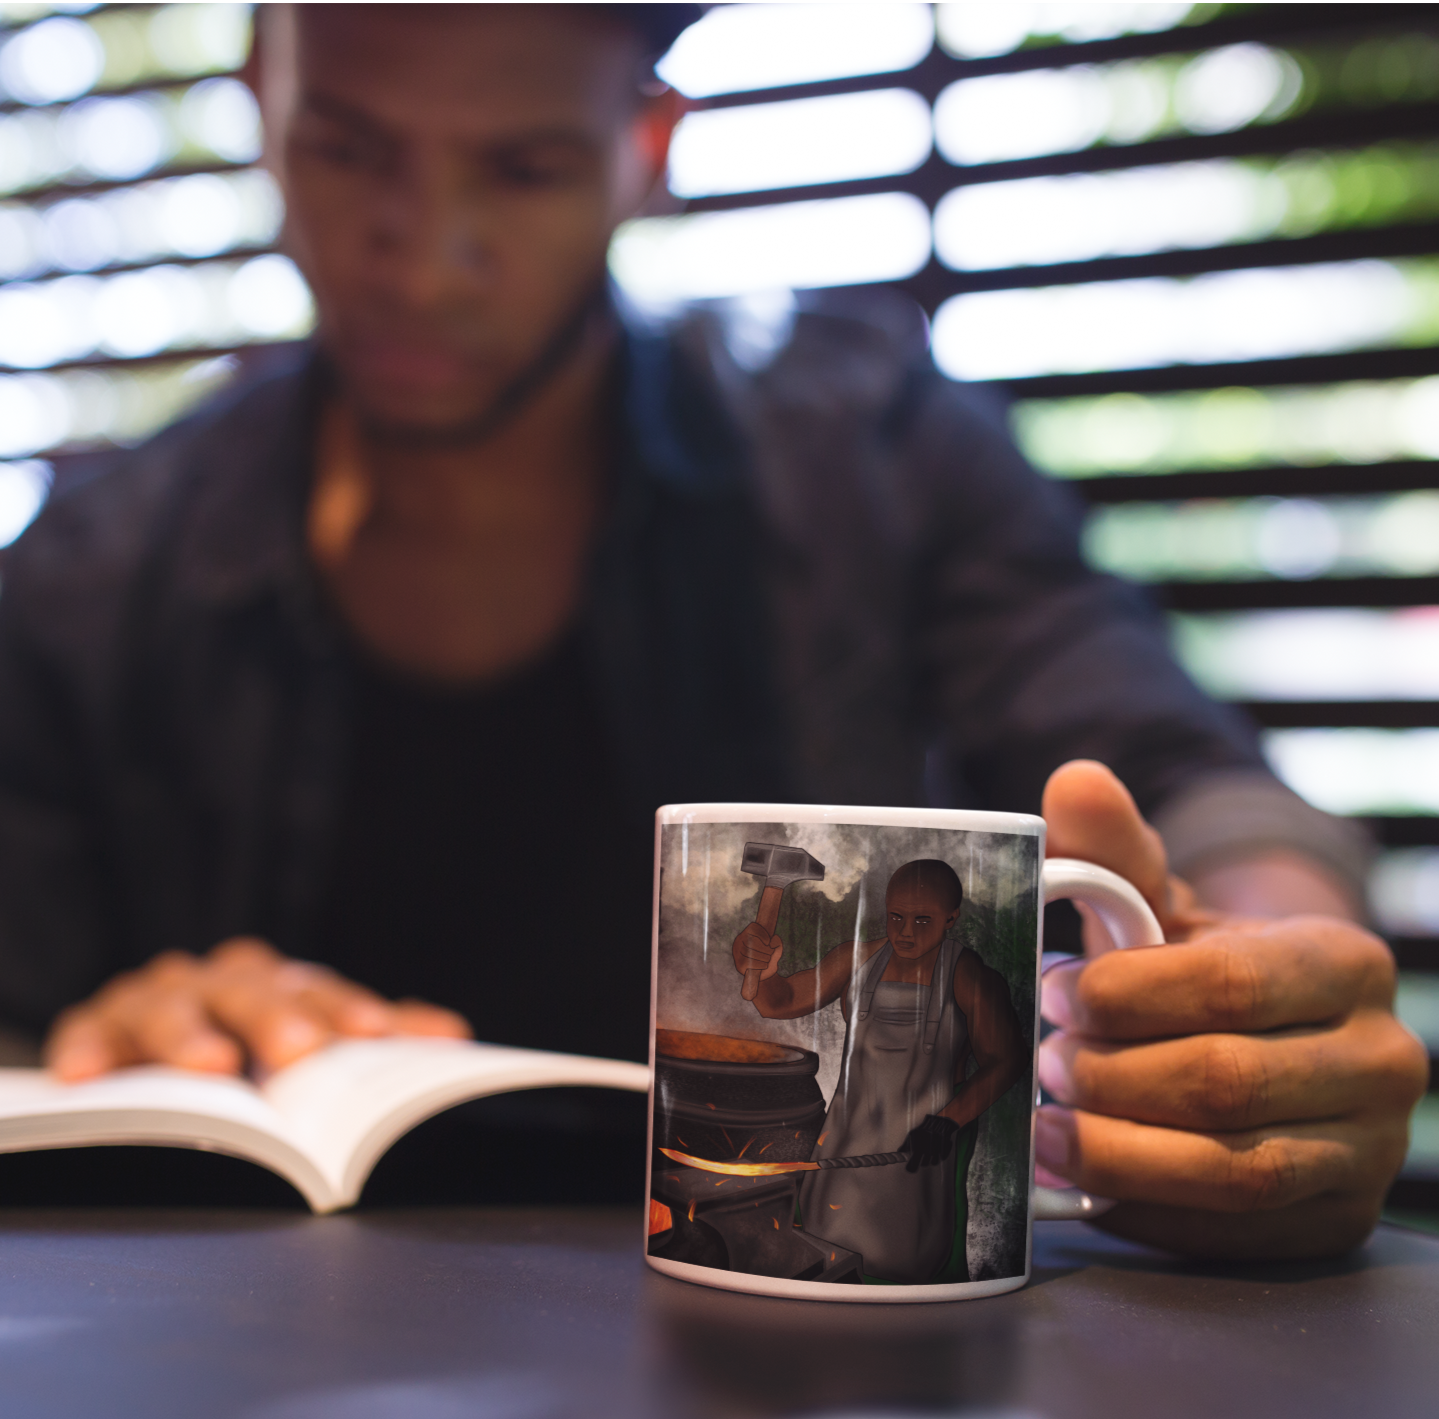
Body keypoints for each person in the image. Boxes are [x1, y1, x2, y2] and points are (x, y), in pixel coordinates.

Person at [0, 3, 1423, 1256]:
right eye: (350, 149)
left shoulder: (866, 449)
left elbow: (1181, 777)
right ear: (261, 100)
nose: (425, 257)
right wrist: (125, 1045)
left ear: (646, 150)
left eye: (522, 167)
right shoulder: (89, 572)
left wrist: (1256, 993)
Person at [735, 858, 1027, 1283]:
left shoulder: (969, 977)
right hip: (846, 1141)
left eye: (922, 920)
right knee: (825, 1243)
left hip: (921, 1146)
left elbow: (1008, 1060)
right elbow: (777, 1002)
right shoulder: (856, 960)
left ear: (951, 918)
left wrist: (949, 1121)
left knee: (908, 1258)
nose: (905, 931)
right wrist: (763, 967)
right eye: (896, 917)